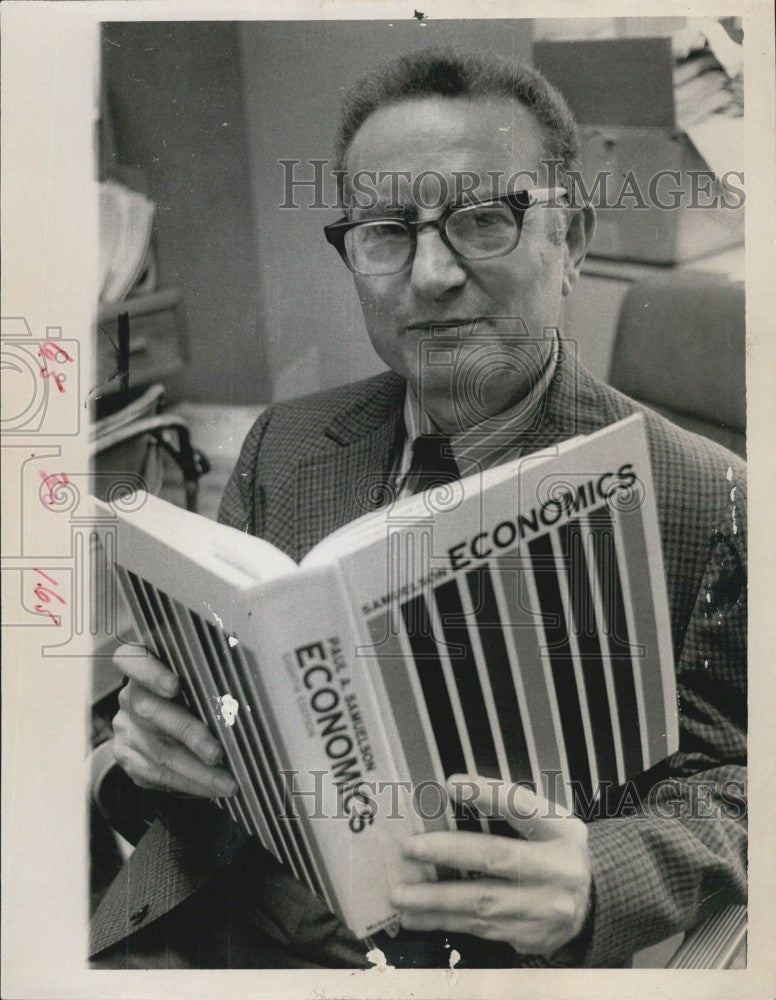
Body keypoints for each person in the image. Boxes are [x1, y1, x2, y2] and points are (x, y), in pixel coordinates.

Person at [90, 48, 747, 969]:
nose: (431, 275)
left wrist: (604, 874)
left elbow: (740, 784)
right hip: (229, 921)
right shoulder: (287, 443)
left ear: (575, 241)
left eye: (484, 219)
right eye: (386, 231)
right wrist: (153, 733)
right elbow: (204, 686)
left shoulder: (709, 497)